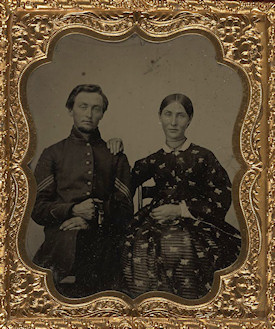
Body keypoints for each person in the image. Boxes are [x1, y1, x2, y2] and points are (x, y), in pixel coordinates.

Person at [122, 93, 241, 299]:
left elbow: (222, 195)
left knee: (180, 244)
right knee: (141, 247)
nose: (174, 122)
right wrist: (116, 150)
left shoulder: (204, 156)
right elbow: (124, 184)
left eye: (181, 115)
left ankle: (185, 308)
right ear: (160, 117)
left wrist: (181, 210)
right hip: (155, 222)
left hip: (195, 223)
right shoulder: (153, 160)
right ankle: (153, 308)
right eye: (168, 114)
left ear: (190, 119)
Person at [31, 84, 133, 297]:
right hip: (61, 241)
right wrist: (73, 210)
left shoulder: (115, 155)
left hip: (104, 241)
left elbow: (125, 210)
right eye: (83, 106)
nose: (89, 114)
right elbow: (37, 210)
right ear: (70, 110)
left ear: (103, 113)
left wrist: (94, 216)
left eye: (96, 108)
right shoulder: (52, 154)